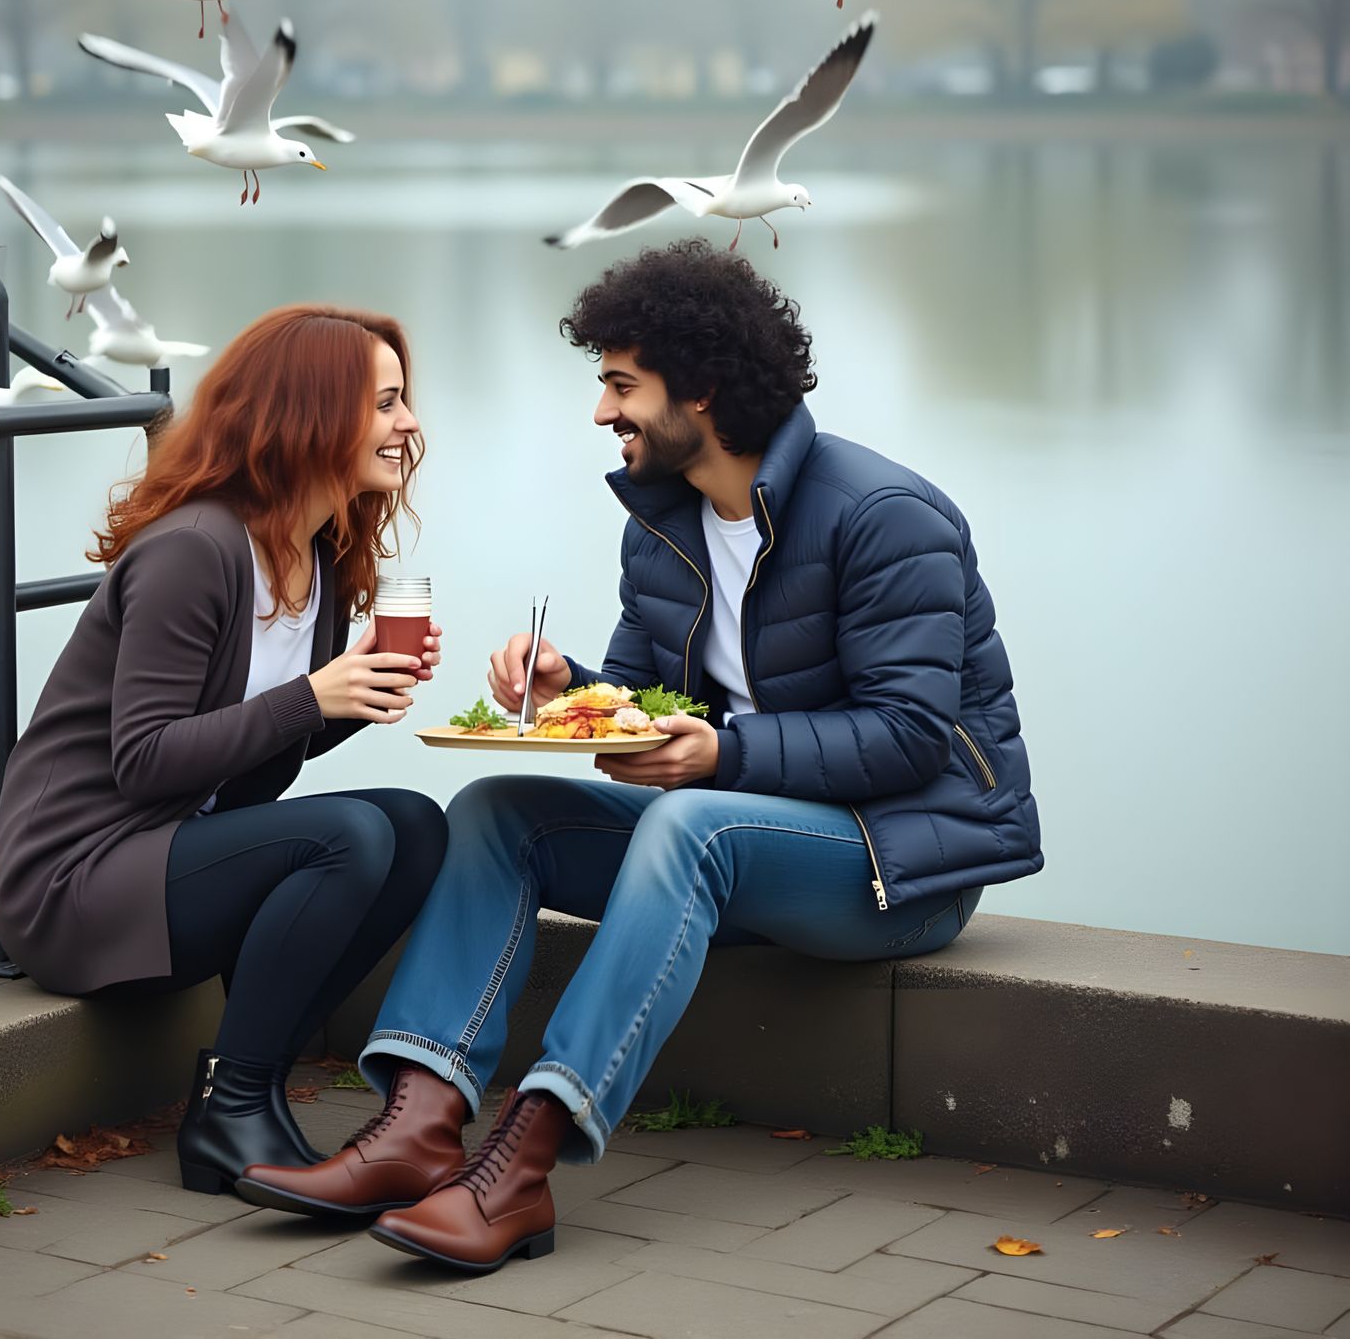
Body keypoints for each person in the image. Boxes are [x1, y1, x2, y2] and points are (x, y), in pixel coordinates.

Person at [237, 240, 1042, 1273]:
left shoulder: (883, 517)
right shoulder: (660, 521)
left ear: (699, 390)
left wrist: (723, 753)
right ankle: (413, 1129)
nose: (600, 413)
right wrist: (565, 689)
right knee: (495, 811)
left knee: (686, 822)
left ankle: (519, 1170)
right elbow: (645, 701)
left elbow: (909, 736)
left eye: (619, 385)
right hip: (733, 838)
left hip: (897, 865)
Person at [0, 304, 449, 1197]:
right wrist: (311, 694)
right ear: (312, 413)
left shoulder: (317, 553)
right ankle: (228, 1110)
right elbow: (147, 762)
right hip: (76, 881)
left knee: (417, 825)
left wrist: (354, 693)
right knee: (349, 836)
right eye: (386, 403)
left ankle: (254, 1076)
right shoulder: (195, 550)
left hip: (173, 855)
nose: (409, 424)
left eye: (405, 401)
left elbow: (258, 751)